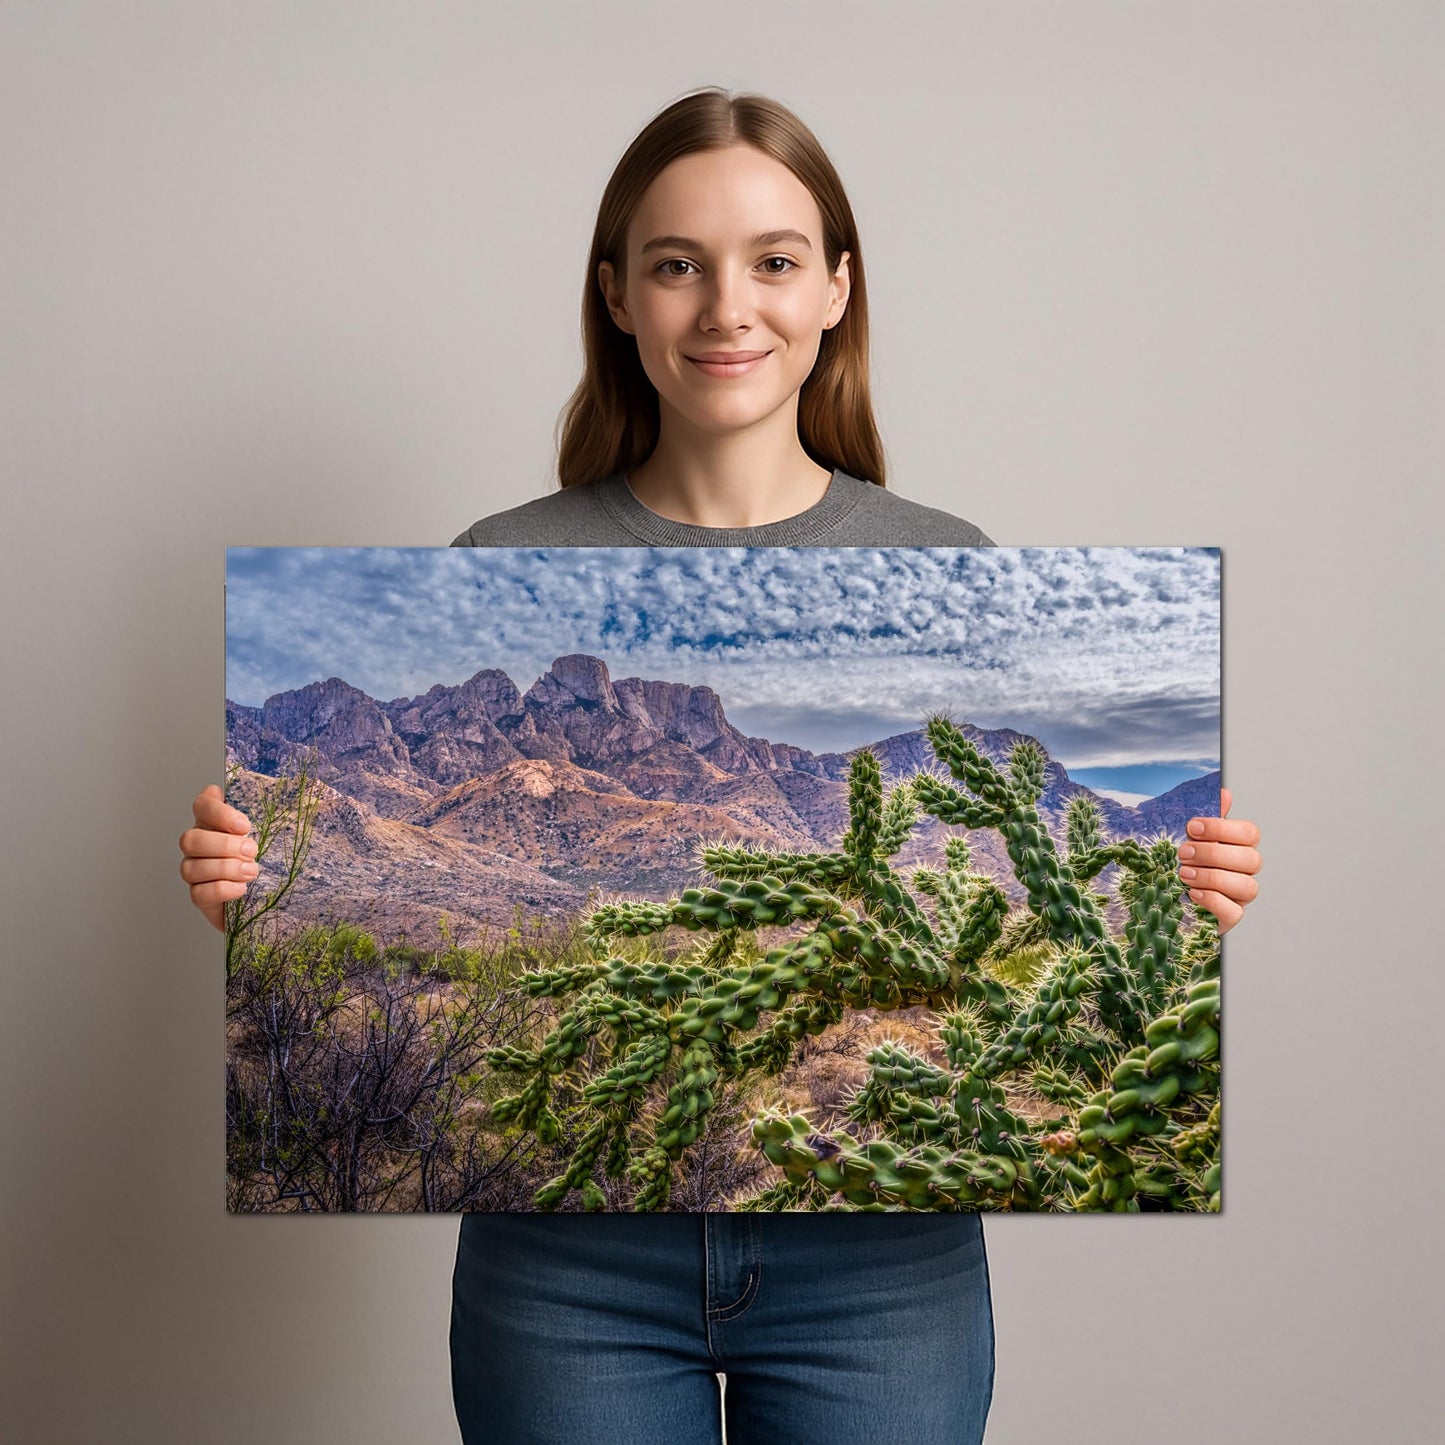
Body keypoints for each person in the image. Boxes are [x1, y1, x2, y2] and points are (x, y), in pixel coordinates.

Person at [180, 88, 1262, 1445]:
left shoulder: (950, 560)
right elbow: (290, 902)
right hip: (565, 1263)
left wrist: (1190, 891)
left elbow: (1048, 874)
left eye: (774, 260)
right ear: (618, 295)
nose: (726, 307)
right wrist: (254, 894)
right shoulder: (501, 556)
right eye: (678, 263)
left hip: (885, 1263)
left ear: (836, 289)